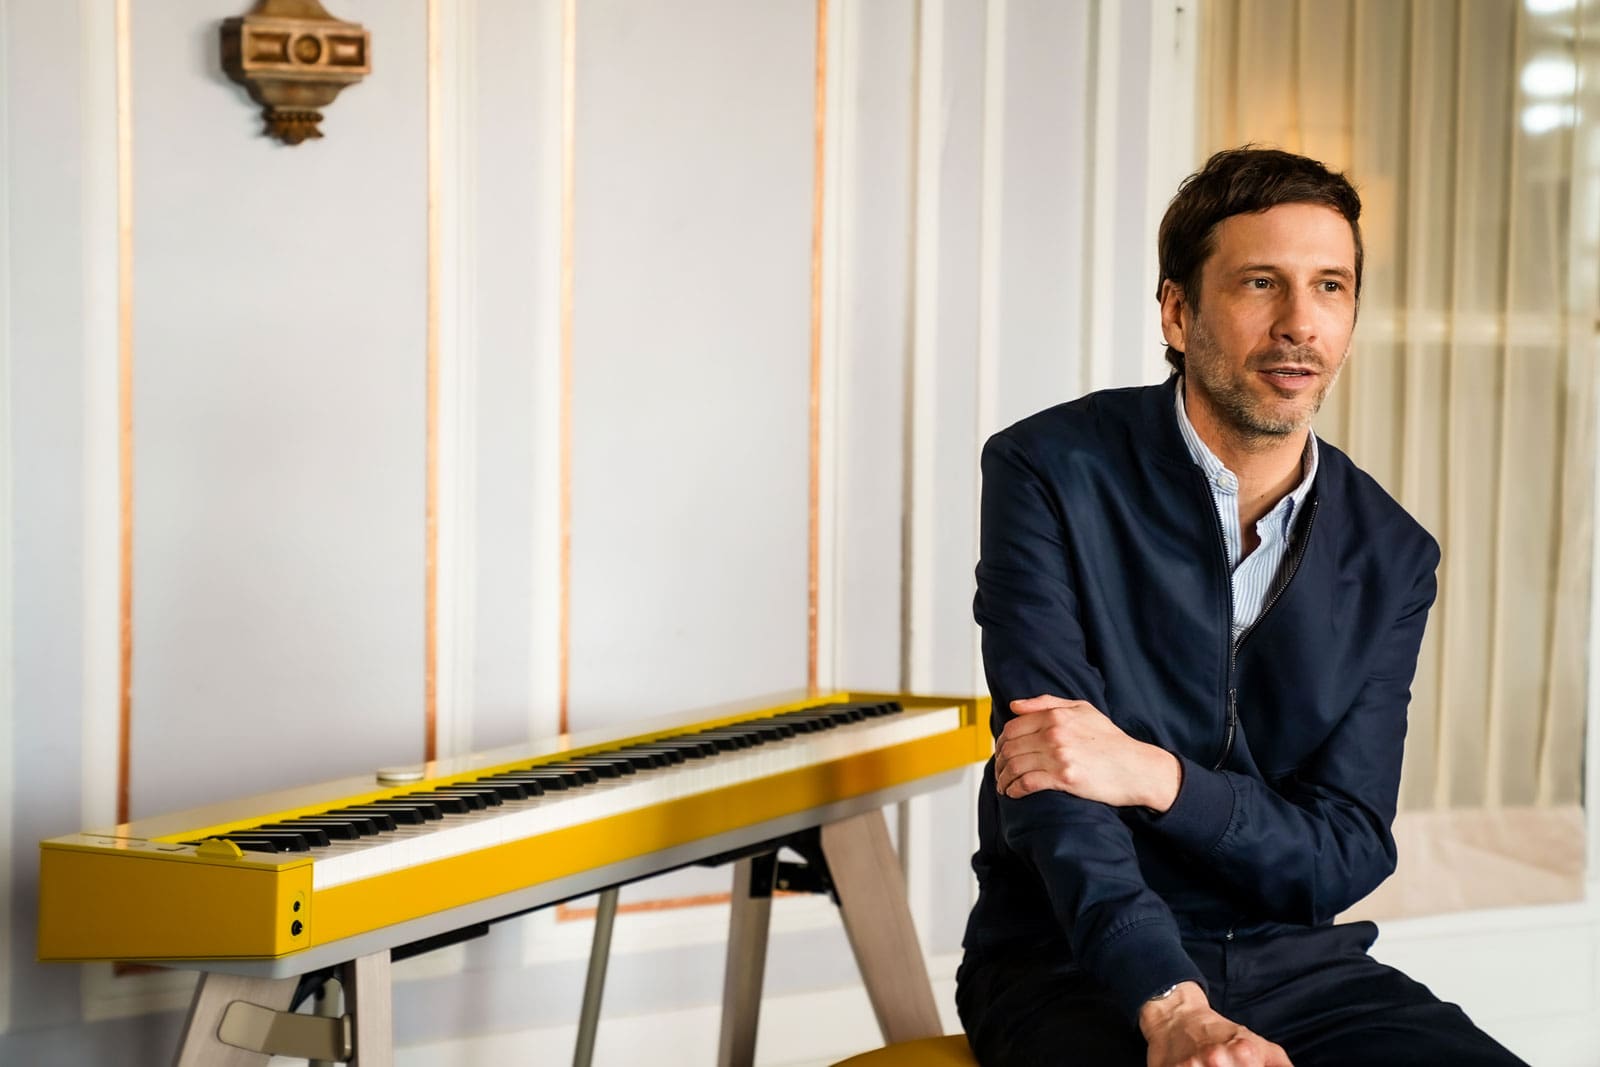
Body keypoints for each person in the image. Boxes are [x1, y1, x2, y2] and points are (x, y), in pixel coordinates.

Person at [954, 147, 1526, 1067]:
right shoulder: (1049, 471)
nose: (1300, 322)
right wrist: (1171, 1004)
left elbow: (1346, 848)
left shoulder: (1393, 554)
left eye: (1330, 287)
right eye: (1262, 282)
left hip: (1296, 964)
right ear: (1178, 313)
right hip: (1071, 959)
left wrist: (1158, 776)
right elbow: (1051, 781)